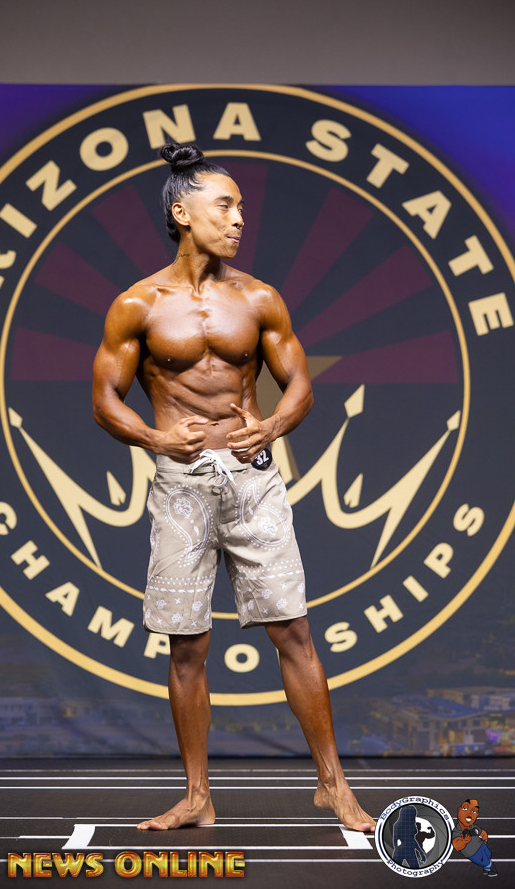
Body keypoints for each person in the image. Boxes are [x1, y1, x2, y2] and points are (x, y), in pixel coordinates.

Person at [92, 142, 375, 833]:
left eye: (241, 207)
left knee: (294, 632)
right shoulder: (137, 304)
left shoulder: (258, 298)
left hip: (252, 481)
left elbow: (300, 383)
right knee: (187, 645)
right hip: (181, 485)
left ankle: (335, 788)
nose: (240, 218)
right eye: (225, 206)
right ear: (182, 213)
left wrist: (273, 423)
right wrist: (155, 438)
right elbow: (104, 399)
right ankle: (197, 796)